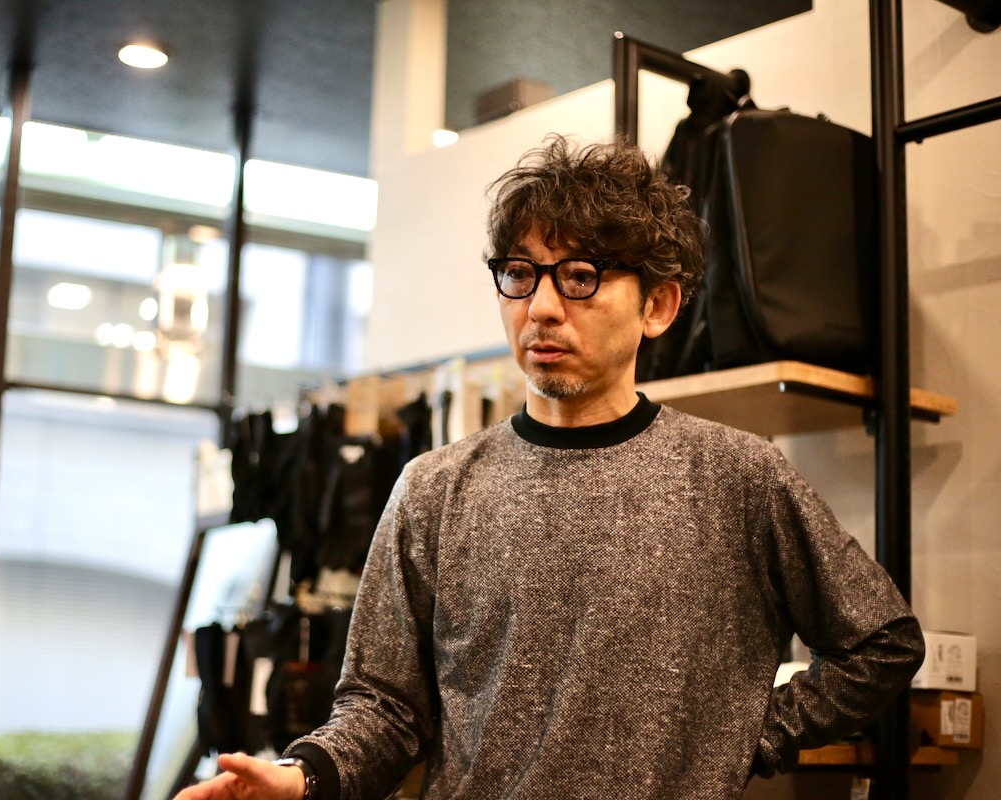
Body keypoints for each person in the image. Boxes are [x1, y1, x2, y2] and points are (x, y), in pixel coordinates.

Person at [173, 135, 925, 800]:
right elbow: (384, 707)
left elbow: (880, 643)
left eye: (581, 276)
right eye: (520, 274)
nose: (540, 307)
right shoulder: (435, 488)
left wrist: (742, 737)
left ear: (659, 306)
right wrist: (301, 778)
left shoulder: (737, 477)